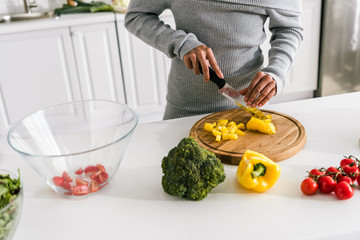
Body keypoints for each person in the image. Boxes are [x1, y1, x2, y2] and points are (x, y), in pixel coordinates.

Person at [124, 0, 303, 120]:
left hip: (248, 106)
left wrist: (277, 70)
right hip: (185, 107)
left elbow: (289, 28)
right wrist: (181, 43)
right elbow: (136, 15)